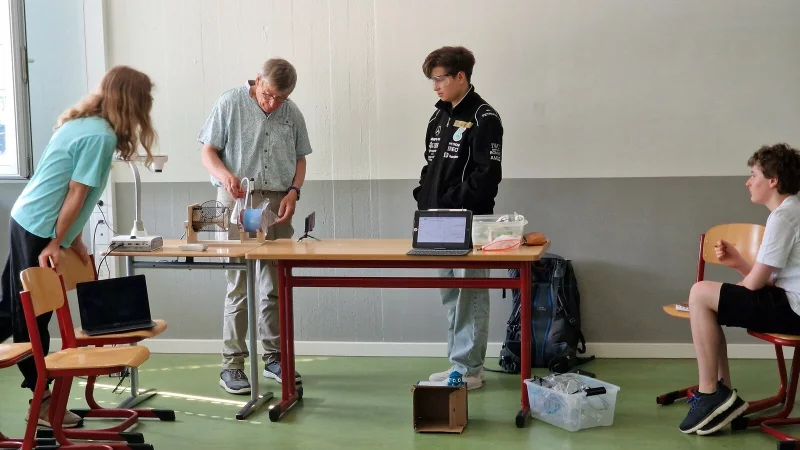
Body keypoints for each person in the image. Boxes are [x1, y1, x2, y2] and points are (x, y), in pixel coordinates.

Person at [0, 66, 156, 427]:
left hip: (30, 218)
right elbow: (75, 193)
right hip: (40, 226)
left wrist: (74, 240)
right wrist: (57, 241)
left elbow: (72, 192)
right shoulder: (100, 136)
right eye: (145, 99)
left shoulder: (83, 123)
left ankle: (42, 398)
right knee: (32, 317)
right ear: (132, 101)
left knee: (13, 308)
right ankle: (42, 402)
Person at [199, 58, 312, 395]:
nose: (273, 103)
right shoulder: (229, 102)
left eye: (281, 98)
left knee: (274, 283)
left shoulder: (291, 112)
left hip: (277, 202)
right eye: (268, 95)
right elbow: (208, 151)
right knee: (238, 284)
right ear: (257, 80)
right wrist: (225, 176)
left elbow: (301, 157)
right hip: (237, 198)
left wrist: (294, 192)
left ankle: (274, 357)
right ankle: (232, 364)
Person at [679, 143, 800, 435]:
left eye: (754, 175)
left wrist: (739, 282)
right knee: (707, 299)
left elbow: (756, 283)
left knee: (700, 294)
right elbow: (769, 279)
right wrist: (739, 264)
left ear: (773, 181)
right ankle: (720, 394)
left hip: (794, 311)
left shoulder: (783, 217)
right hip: (789, 302)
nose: (748, 182)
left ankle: (711, 393)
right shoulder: (792, 209)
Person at [413, 46, 503, 390]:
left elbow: (487, 176)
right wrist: (424, 197)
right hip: (434, 221)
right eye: (432, 80)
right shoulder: (437, 118)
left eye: (440, 79)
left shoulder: (484, 117)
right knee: (450, 295)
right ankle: (458, 364)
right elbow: (429, 165)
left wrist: (450, 202)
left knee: (471, 294)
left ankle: (470, 370)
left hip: (469, 221)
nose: (435, 86)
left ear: (460, 76)